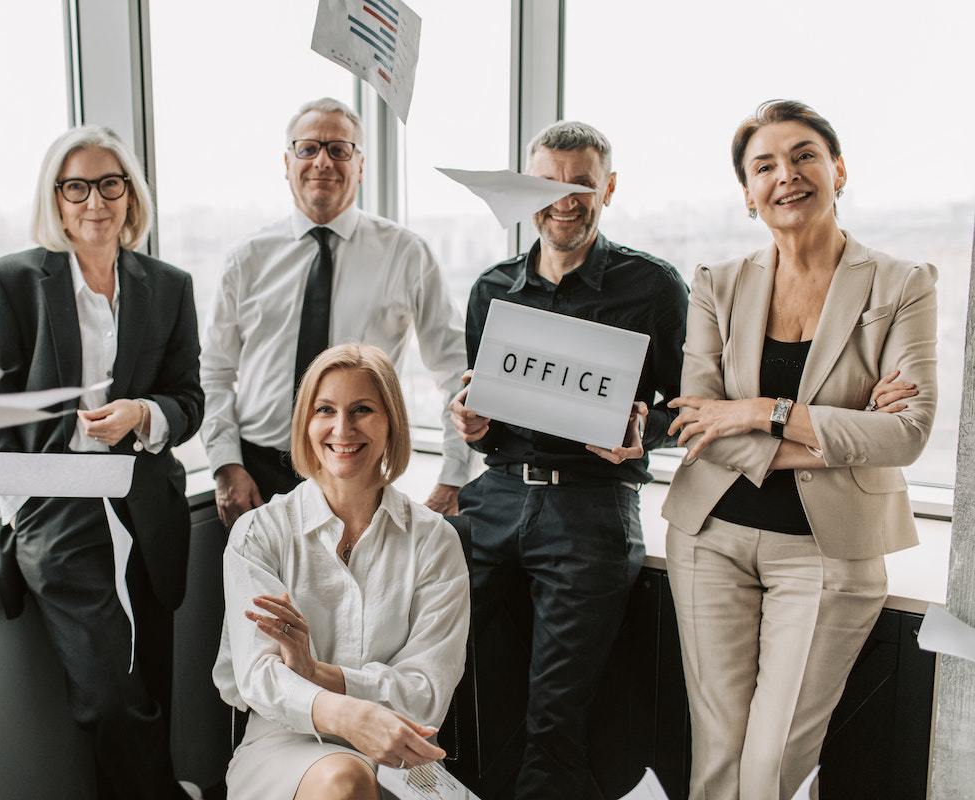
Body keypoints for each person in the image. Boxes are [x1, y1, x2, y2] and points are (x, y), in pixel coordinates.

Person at [662, 99, 937, 800]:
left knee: (773, 768)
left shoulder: (902, 284)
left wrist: (761, 411)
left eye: (804, 155)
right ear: (748, 193)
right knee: (717, 761)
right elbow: (697, 424)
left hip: (829, 553)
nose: (786, 174)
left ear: (838, 170)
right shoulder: (717, 284)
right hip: (710, 539)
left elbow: (906, 434)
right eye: (765, 166)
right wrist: (844, 430)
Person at [449, 121, 689, 797]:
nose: (564, 199)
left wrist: (646, 428)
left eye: (581, 183)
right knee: (437, 672)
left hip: (592, 506)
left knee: (554, 718)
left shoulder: (653, 287)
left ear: (608, 188)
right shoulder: (491, 288)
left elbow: (694, 407)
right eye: (547, 183)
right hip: (495, 498)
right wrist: (470, 423)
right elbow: (483, 416)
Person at [0, 125, 204, 800]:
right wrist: (25, 509)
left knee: (150, 677)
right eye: (76, 187)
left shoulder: (169, 285)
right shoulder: (10, 283)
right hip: (57, 510)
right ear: (56, 198)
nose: (94, 201)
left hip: (146, 505)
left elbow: (189, 399)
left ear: (130, 195)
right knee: (107, 693)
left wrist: (143, 414)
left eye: (109, 184)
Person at [213, 343, 470, 800]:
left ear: (391, 422)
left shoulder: (434, 541)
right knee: (344, 780)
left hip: (400, 750)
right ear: (305, 423)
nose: (342, 429)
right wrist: (350, 714)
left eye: (362, 410)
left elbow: (425, 695)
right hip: (284, 743)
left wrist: (316, 672)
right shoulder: (259, 533)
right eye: (325, 410)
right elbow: (260, 677)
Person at [201, 97, 470, 528]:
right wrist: (225, 464)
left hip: (359, 472)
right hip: (257, 475)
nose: (322, 161)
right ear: (287, 162)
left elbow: (456, 372)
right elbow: (215, 374)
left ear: (360, 166)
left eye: (339, 150)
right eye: (308, 148)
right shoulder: (247, 258)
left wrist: (454, 476)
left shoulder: (406, 254)